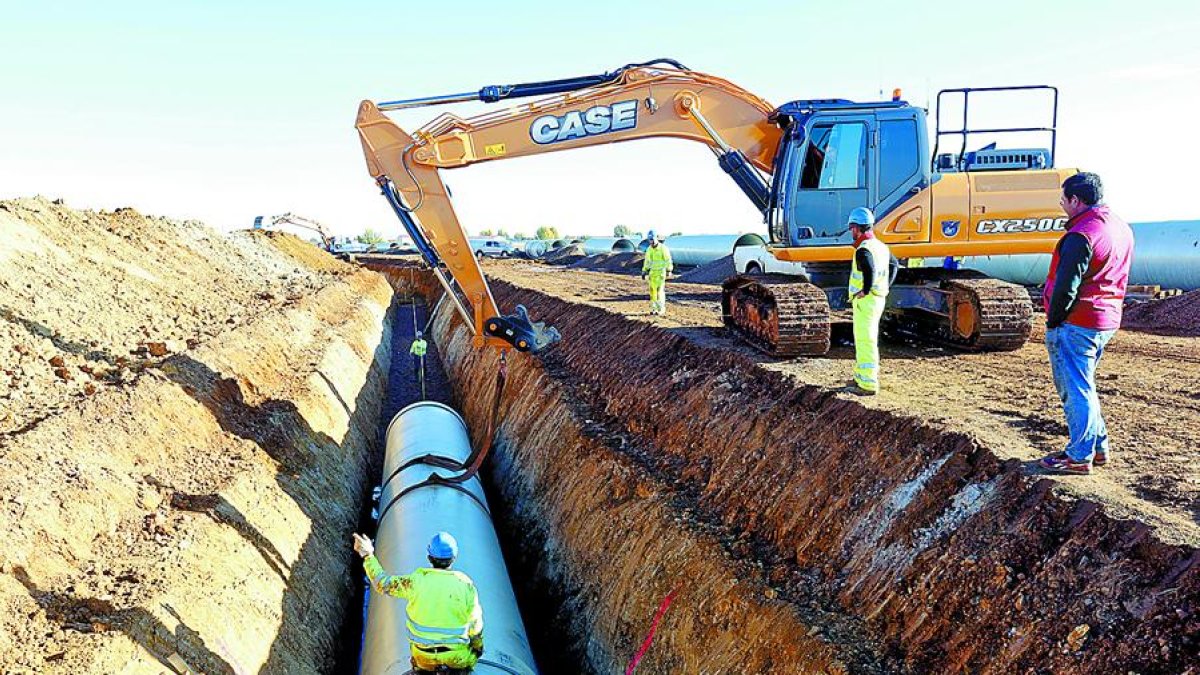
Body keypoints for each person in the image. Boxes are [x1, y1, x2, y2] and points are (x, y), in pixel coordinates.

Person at [1038, 172, 1133, 475]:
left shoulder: (1081, 235)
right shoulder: (1119, 227)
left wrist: (1053, 321)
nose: (1062, 206)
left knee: (1075, 389)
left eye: (1064, 200)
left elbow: (1067, 286)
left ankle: (1079, 456)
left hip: (1078, 321)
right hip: (1105, 319)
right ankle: (1098, 447)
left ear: (1076, 200)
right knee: (1085, 385)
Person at [352, 531, 484, 672]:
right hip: (456, 656)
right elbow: (476, 626)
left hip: (423, 656)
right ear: (454, 558)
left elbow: (383, 584)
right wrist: (477, 648)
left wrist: (368, 556)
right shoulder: (465, 585)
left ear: (429, 557)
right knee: (469, 660)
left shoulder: (416, 582)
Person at [846, 207, 891, 395]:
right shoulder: (881, 246)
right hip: (877, 298)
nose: (851, 232)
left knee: (866, 340)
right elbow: (895, 265)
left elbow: (869, 269)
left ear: (856, 228)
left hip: (867, 301)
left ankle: (868, 383)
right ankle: (860, 376)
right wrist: (885, 284)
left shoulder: (863, 250)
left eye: (851, 228)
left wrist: (865, 289)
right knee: (866, 338)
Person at [641, 230, 673, 316]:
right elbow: (647, 261)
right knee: (652, 292)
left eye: (652, 239)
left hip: (661, 274)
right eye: (649, 240)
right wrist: (644, 270)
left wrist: (669, 270)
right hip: (652, 274)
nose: (651, 241)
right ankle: (654, 309)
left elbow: (668, 260)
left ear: (656, 239)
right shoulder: (649, 250)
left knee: (659, 292)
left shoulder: (663, 248)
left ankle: (661, 309)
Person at [410, 331, 428, 397]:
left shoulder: (424, 342)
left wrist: (419, 349)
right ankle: (417, 377)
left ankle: (425, 376)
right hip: (417, 356)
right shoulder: (415, 343)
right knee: (416, 367)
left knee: (424, 366)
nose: (419, 338)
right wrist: (411, 352)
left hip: (423, 355)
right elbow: (412, 348)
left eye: (419, 336)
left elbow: (424, 348)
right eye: (418, 337)